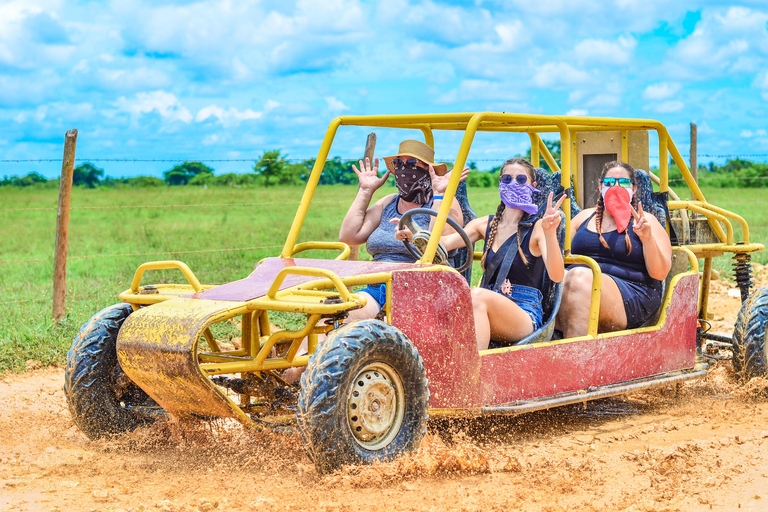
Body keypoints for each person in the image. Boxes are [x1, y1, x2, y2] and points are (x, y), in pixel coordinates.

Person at [395, 157, 565, 351]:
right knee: (444, 302)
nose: (513, 184)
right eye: (507, 179)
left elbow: (556, 276)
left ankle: (472, 375)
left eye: (520, 180)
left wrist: (550, 233)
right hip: (489, 301)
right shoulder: (484, 225)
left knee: (475, 296)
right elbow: (439, 245)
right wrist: (413, 234)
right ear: (500, 184)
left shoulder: (537, 228)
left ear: (533, 186)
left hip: (524, 312)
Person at [338, 139, 466, 321]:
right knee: (333, 317)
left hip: (420, 292)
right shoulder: (389, 202)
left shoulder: (445, 203)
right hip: (376, 289)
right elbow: (349, 236)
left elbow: (441, 244)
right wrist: (365, 191)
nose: (404, 169)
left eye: (412, 163)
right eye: (399, 163)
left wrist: (439, 195)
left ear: (429, 170)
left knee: (346, 316)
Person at [556, 161, 672, 338]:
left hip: (632, 292)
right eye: (610, 182)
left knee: (580, 278)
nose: (616, 187)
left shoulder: (646, 220)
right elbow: (557, 255)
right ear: (601, 186)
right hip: (579, 284)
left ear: (633, 188)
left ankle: (576, 358)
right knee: (559, 279)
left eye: (623, 182)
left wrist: (647, 239)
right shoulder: (584, 217)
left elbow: (660, 273)